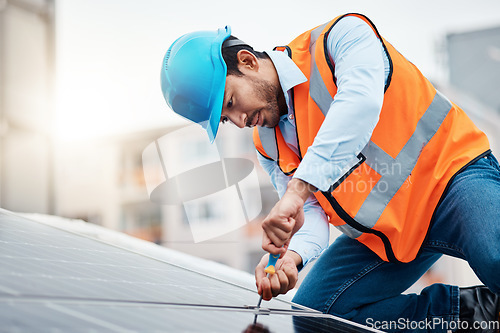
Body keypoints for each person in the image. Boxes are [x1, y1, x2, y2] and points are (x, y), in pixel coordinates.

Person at [160, 13, 500, 332]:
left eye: (231, 102)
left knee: (495, 256)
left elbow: (359, 103)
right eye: (224, 119)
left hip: (453, 179)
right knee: (316, 315)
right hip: (391, 234)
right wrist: (292, 258)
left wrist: (298, 189)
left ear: (247, 62)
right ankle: (479, 311)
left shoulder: (341, 38)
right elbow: (308, 215)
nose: (239, 121)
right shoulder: (268, 144)